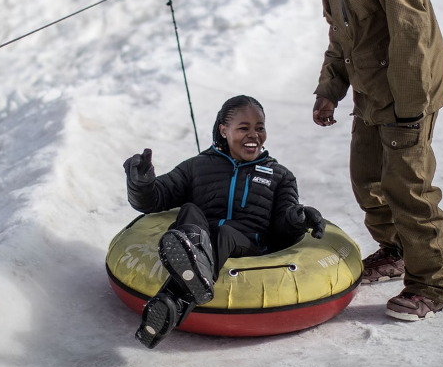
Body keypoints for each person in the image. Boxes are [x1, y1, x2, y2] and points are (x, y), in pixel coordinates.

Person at [277, 0, 443, 321]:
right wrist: (329, 90)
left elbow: (411, 23)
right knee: (368, 179)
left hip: (406, 88)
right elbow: (343, 33)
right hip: (373, 87)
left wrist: (411, 107)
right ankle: (396, 252)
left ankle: (433, 285)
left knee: (408, 188)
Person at [123, 95, 326, 349]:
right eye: (244, 128)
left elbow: (282, 227)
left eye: (259, 128)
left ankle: (172, 301)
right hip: (203, 241)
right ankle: (188, 274)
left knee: (224, 232)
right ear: (224, 130)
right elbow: (155, 199)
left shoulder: (279, 175)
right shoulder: (198, 166)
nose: (254, 135)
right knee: (189, 210)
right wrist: (141, 184)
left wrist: (300, 217)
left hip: (248, 244)